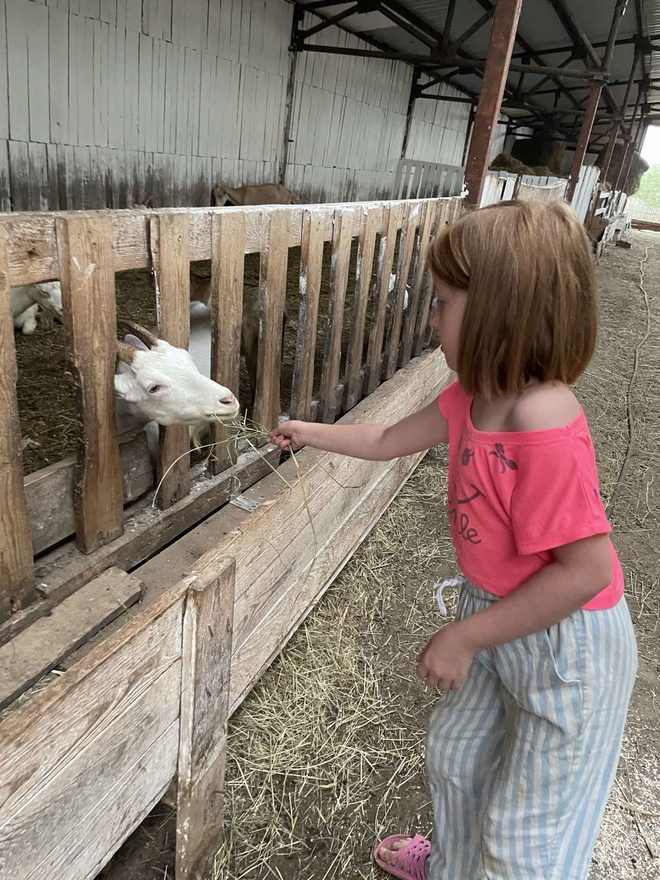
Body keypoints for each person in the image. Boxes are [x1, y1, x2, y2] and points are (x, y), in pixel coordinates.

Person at [268, 200, 637, 880]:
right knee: (458, 754)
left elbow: (584, 571)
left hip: (567, 648)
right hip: (497, 613)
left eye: (442, 303)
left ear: (500, 309)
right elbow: (384, 439)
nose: (431, 318)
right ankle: (457, 866)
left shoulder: (542, 423)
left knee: (528, 829)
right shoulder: (471, 396)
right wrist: (309, 431)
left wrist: (465, 637)